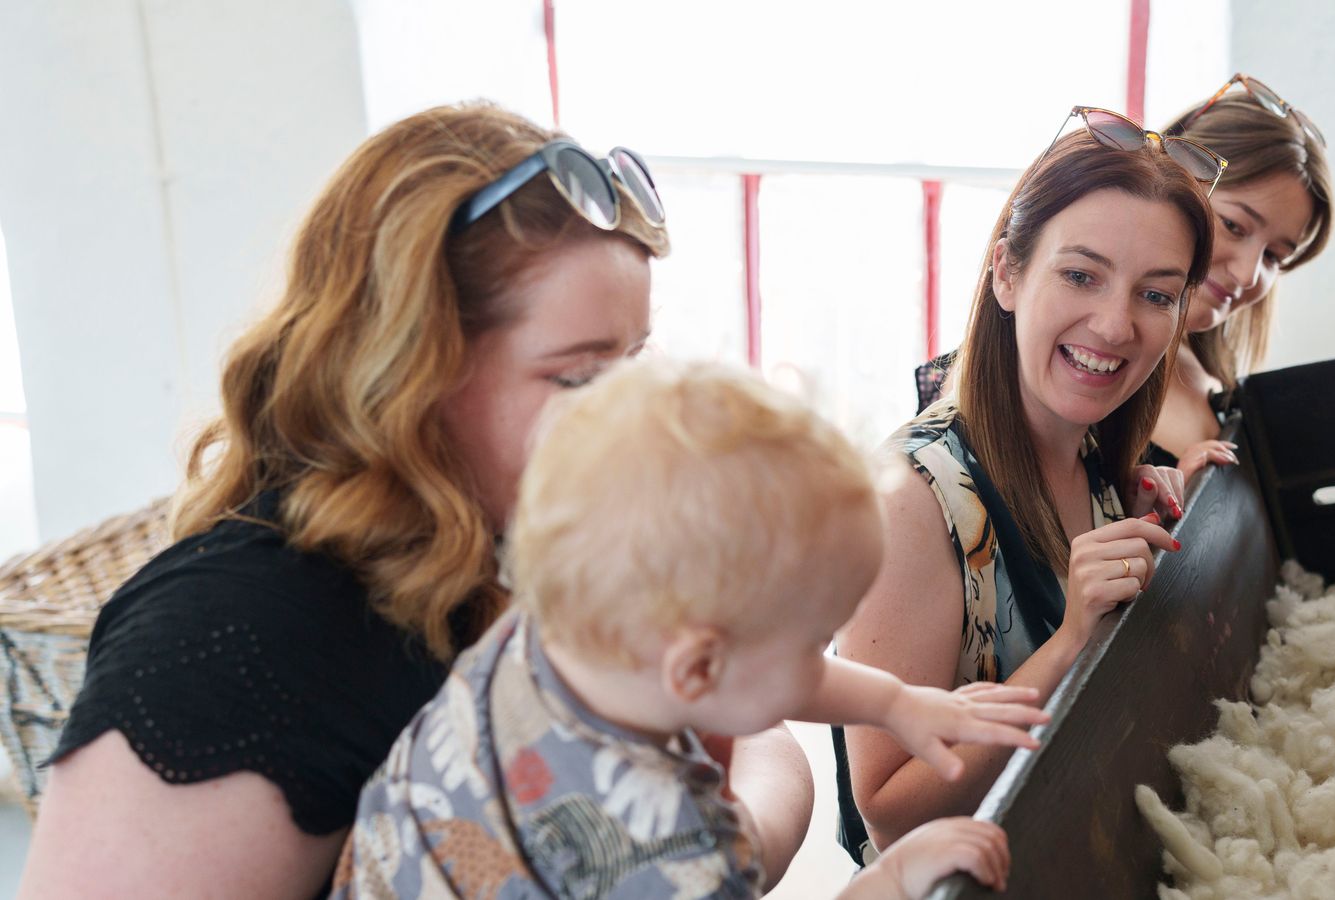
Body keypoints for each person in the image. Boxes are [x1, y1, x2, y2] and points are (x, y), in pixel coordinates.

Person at [18, 104, 811, 898]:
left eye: (633, 363)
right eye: (575, 377)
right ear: (407, 376)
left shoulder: (525, 533)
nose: (630, 414)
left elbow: (750, 741)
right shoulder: (225, 641)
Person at [335, 358, 1043, 898]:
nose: (823, 658)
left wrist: (895, 702)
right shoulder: (676, 857)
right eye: (813, 642)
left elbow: (756, 665)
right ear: (697, 670)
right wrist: (892, 880)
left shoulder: (540, 638)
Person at [837, 109, 1219, 857]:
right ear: (1007, 274)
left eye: (1156, 294)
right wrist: (1073, 639)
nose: (1115, 325)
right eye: (1080, 275)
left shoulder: (1100, 455)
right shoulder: (912, 497)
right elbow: (887, 815)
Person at [1148, 73, 1335, 482]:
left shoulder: (1214, 378)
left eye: (1274, 256)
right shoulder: (1085, 372)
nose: (1249, 274)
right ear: (1168, 179)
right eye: (1234, 225)